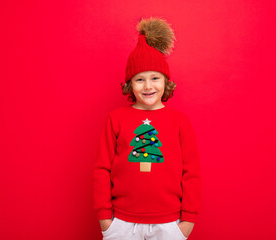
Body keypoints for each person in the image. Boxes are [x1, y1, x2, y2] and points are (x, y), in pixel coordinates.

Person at [93, 16, 202, 240]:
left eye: (155, 78)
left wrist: (188, 220)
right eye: (139, 79)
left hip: (169, 223)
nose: (148, 86)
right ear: (129, 84)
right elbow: (102, 168)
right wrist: (105, 219)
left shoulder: (180, 121)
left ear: (166, 82)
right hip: (121, 223)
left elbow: (191, 173)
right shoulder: (116, 118)